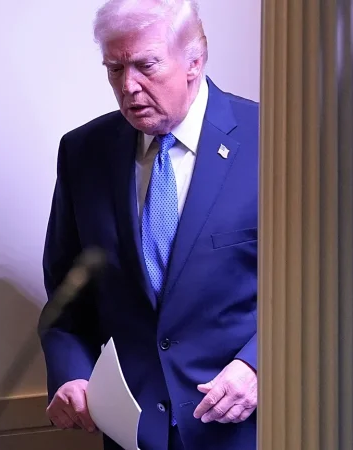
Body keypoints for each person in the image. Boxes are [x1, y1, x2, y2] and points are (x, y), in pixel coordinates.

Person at [37, 0, 259, 448]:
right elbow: (66, 298)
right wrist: (72, 374)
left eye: (146, 65)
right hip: (132, 431)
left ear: (195, 60)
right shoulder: (83, 152)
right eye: (115, 69)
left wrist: (260, 365)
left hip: (244, 427)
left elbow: (323, 288)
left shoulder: (274, 139)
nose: (129, 86)